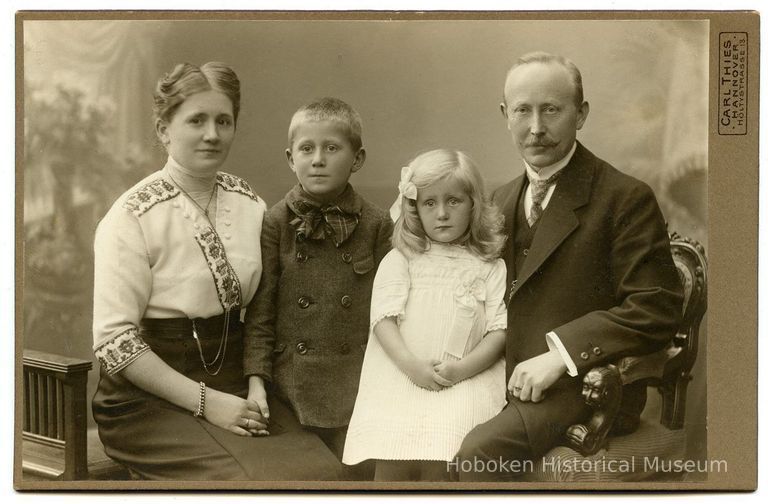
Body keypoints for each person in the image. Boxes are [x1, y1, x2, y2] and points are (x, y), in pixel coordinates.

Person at [91, 62, 340, 480]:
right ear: (163, 129)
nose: (212, 134)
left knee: (329, 474)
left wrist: (256, 383)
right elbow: (115, 344)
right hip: (147, 402)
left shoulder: (249, 203)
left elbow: (264, 308)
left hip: (237, 381)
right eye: (197, 120)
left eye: (223, 121)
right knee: (267, 483)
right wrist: (208, 403)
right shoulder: (132, 215)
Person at [454, 52, 684, 481]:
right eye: (523, 110)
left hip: (585, 388)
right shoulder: (497, 202)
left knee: (476, 455)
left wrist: (560, 354)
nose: (536, 128)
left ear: (581, 114)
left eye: (552, 110)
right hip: (500, 377)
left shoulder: (624, 198)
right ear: (506, 115)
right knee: (417, 434)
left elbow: (656, 309)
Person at [243, 97, 393, 479]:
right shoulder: (275, 221)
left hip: (358, 386)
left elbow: (389, 312)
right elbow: (261, 311)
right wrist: (256, 383)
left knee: (362, 477)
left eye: (331, 148)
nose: (318, 159)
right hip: (290, 388)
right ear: (291, 158)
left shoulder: (377, 224)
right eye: (307, 149)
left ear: (357, 159)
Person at [342, 149, 508, 481]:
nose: (442, 214)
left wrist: (461, 370)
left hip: (463, 381)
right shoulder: (401, 259)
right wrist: (413, 367)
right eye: (430, 203)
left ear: (473, 204)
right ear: (414, 208)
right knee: (393, 464)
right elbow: (383, 321)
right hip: (403, 377)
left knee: (445, 463)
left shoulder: (490, 266)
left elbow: (498, 332)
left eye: (454, 201)